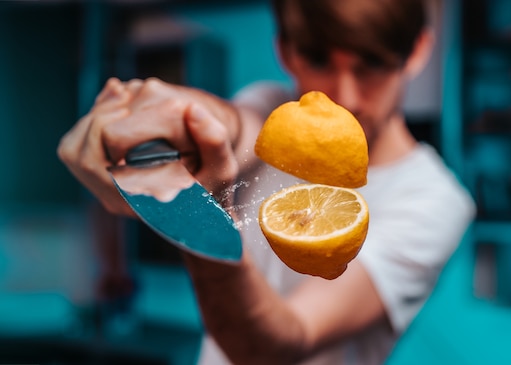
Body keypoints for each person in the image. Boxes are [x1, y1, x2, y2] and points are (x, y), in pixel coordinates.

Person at [57, 0, 475, 364]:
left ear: (418, 51)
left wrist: (195, 216)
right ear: (286, 53)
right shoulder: (273, 108)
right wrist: (168, 115)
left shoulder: (433, 201)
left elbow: (278, 343)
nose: (346, 97)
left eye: (372, 66)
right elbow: (231, 126)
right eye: (319, 61)